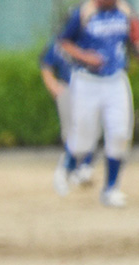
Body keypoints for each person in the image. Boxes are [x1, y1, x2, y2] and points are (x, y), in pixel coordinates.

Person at [57, 0, 139, 208]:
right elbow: (63, 42)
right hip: (87, 80)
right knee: (84, 137)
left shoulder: (125, 13)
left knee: (119, 134)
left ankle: (110, 189)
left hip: (116, 80)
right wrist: (85, 56)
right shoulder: (84, 12)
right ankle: (67, 167)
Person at [40, 36, 96, 196]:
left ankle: (84, 167)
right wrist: (53, 86)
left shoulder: (91, 41)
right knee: (71, 132)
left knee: (90, 128)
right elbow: (46, 65)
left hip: (89, 89)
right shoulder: (58, 45)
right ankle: (67, 170)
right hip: (67, 88)